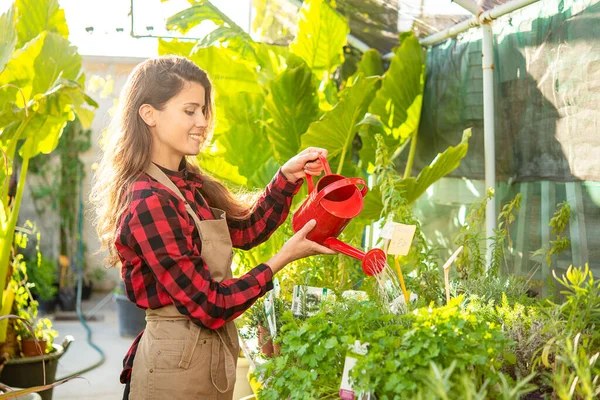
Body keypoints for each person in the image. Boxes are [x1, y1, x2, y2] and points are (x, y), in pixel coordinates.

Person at [90, 55, 336, 399]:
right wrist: (281, 260)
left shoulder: (188, 184)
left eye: (204, 110)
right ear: (149, 115)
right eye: (190, 111)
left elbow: (246, 230)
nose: (202, 121)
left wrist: (286, 178)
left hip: (202, 357)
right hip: (173, 367)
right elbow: (210, 304)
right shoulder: (150, 200)